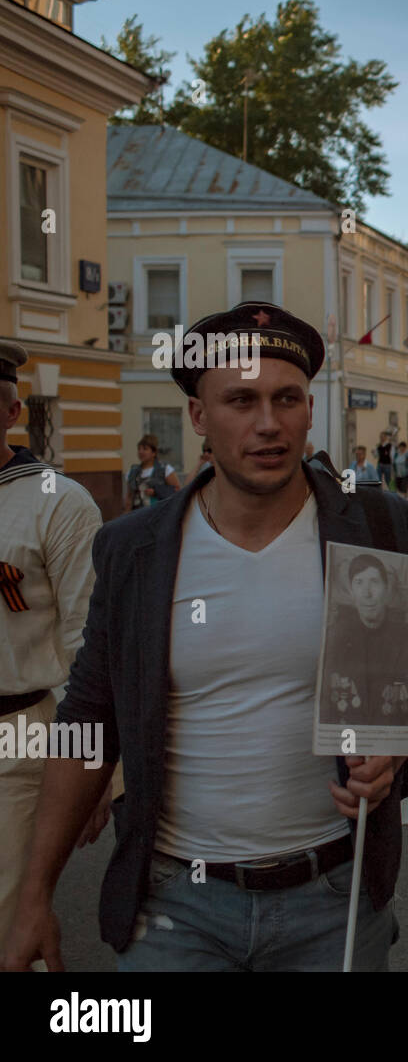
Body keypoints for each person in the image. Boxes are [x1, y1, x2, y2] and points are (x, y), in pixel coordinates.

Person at [2, 302, 408, 973]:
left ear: (309, 409)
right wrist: (34, 897)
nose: (267, 422)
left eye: (287, 398)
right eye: (241, 400)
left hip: (334, 898)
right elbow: (88, 717)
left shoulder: (370, 523)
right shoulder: (137, 549)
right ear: (199, 416)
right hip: (176, 909)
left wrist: (397, 734)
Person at [0, 341, 107, 962]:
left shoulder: (57, 501)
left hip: (18, 736)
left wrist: (91, 776)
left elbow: (88, 643)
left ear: (12, 411)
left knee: (14, 927)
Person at [322, 554, 408, 727]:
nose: (367, 593)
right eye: (359, 583)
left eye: (374, 582)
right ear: (351, 591)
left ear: (386, 589)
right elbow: (325, 711)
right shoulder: (334, 638)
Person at [125, 434, 181, 510]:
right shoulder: (133, 471)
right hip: (138, 515)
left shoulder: (165, 469)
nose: (141, 452)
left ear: (154, 452)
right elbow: (129, 497)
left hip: (159, 514)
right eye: (139, 449)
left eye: (145, 449)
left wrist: (156, 491)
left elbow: (177, 490)